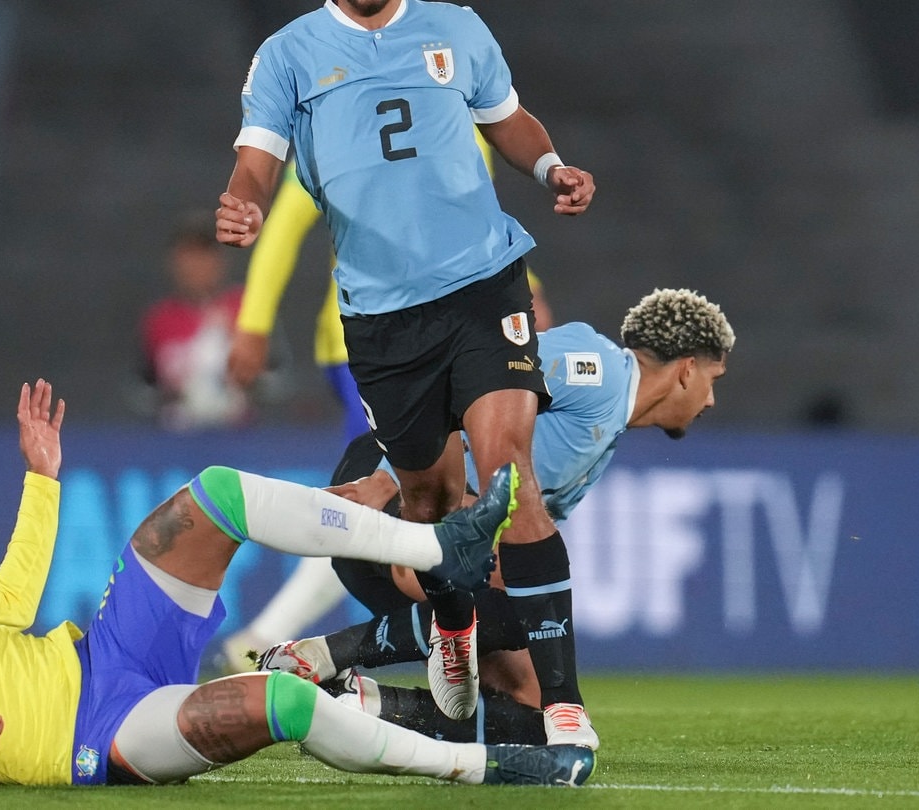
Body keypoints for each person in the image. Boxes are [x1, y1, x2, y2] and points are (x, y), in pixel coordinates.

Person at [0, 379, 596, 788]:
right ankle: (487, 766)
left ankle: (434, 545)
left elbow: (10, 605)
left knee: (214, 495)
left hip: (104, 653)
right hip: (100, 731)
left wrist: (43, 478)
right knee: (279, 704)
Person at [216, 0, 597, 742]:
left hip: (486, 284)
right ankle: (451, 625)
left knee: (508, 473)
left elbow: (508, 118)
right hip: (383, 320)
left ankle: (563, 701)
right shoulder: (288, 54)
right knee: (428, 503)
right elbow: (257, 161)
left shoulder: (456, 27)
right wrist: (243, 203)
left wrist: (552, 165)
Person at [257, 288, 736, 743]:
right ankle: (322, 654)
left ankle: (356, 702)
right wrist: (390, 478)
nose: (712, 401)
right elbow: (469, 385)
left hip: (432, 508)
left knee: (529, 711)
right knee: (529, 605)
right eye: (714, 382)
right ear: (688, 370)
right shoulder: (599, 368)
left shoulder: (606, 433)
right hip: (408, 479)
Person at [218, 147, 557, 673]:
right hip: (375, 342)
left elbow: (475, 220)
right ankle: (268, 637)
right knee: (384, 493)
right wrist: (253, 322)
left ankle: (289, 636)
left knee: (425, 494)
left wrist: (523, 287)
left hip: (462, 332)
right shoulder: (342, 116)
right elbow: (284, 224)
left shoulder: (462, 119)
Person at [139, 216, 258, 432]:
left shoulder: (246, 308)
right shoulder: (159, 319)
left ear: (219, 260)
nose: (196, 264)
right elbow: (141, 388)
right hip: (177, 440)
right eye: (188, 255)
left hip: (240, 438)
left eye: (204, 254)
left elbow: (279, 381)